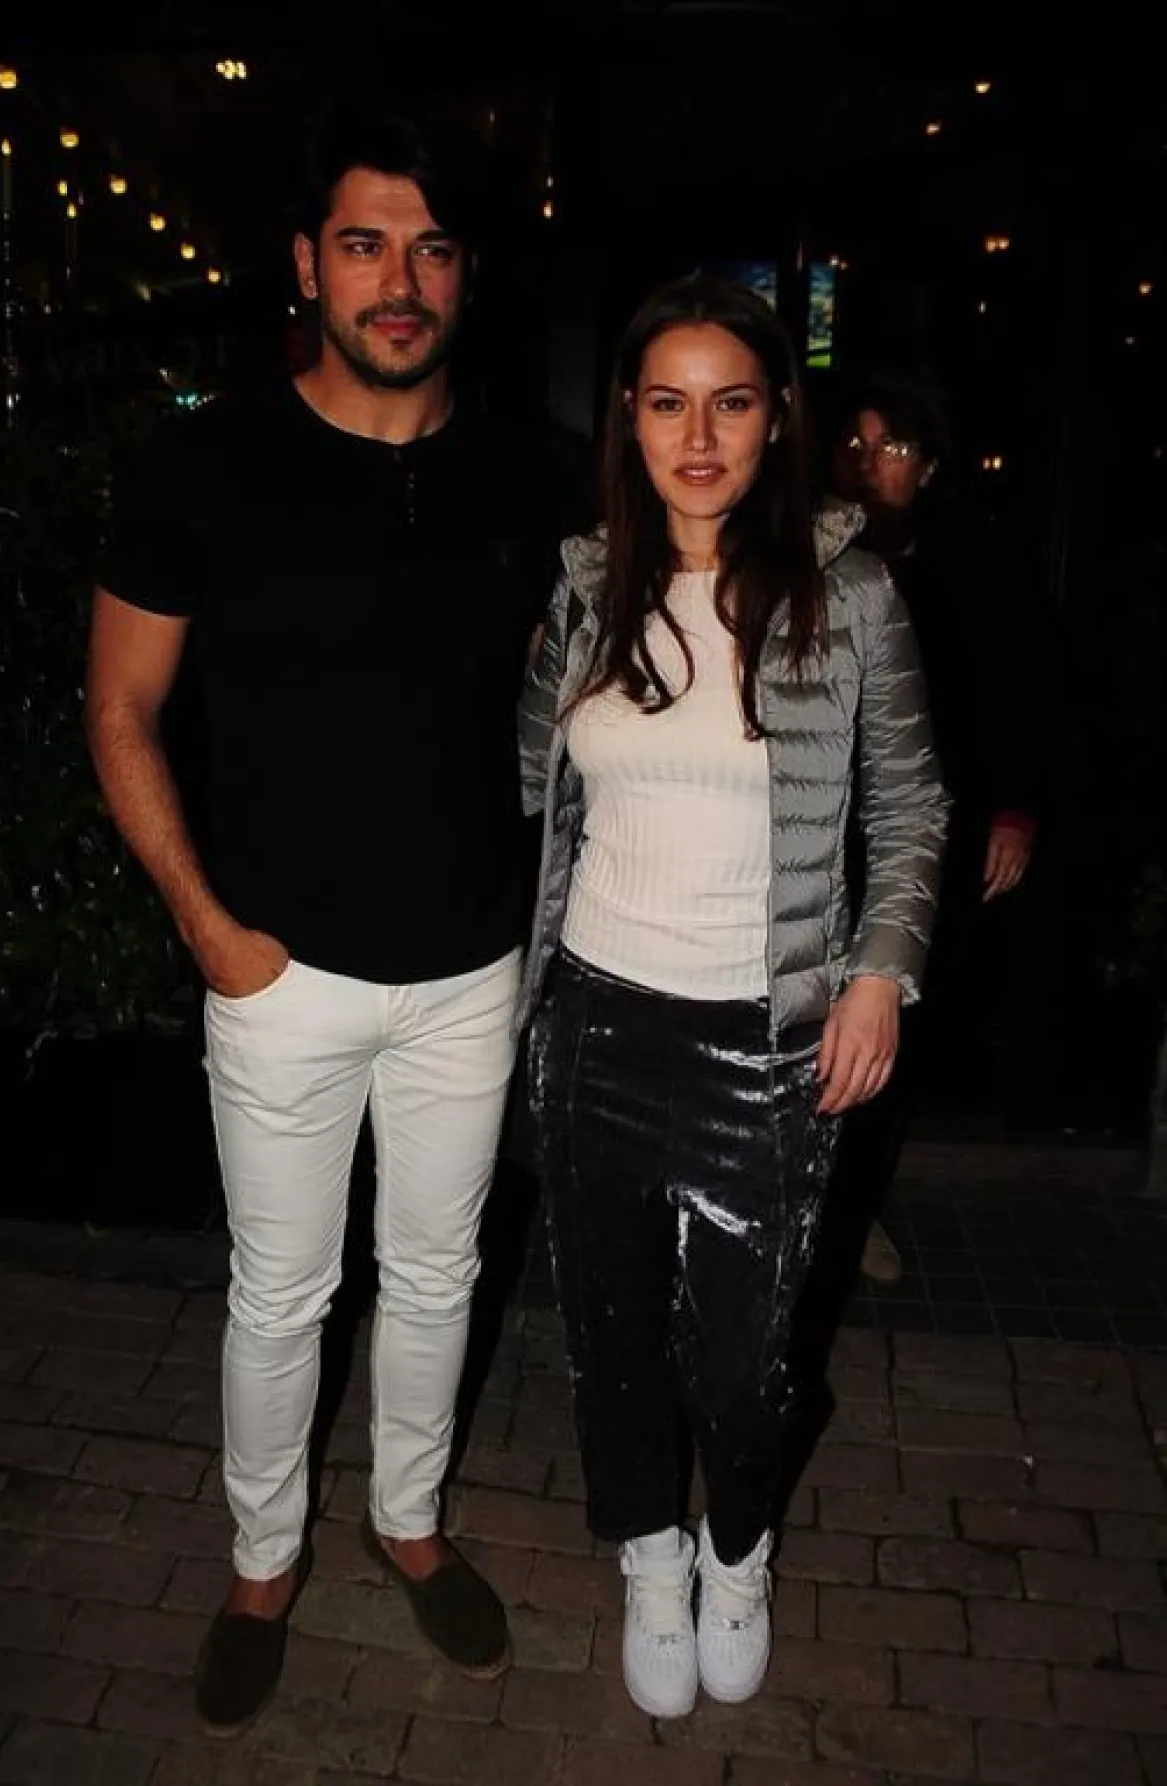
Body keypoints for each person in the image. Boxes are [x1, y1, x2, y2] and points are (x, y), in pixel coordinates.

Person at [85, 96, 588, 1734]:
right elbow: (118, 710)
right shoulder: (201, 462)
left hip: (469, 970)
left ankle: (411, 1523)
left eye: (431, 249)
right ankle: (261, 1562)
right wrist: (209, 929)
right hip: (277, 968)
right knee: (281, 1293)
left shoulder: (535, 476)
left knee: (438, 1274)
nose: (400, 280)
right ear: (306, 263)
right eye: (366, 244)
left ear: (467, 275)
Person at [517, 276, 947, 1718]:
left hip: (764, 1039)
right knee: (611, 1330)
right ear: (629, 421)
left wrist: (878, 973)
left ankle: (737, 1549)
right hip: (595, 1018)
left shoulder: (850, 594)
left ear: (776, 421)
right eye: (667, 402)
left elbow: (915, 807)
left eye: (731, 402)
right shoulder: (589, 587)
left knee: (747, 1360)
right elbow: (535, 780)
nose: (698, 436)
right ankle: (650, 1550)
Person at [827, 373, 1041, 1285]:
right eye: (858, 445)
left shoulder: (971, 560)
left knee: (890, 1021)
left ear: (929, 466)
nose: (873, 463)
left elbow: (1018, 687)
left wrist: (1014, 809)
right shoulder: (811, 552)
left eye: (895, 447)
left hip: (927, 829)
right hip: (818, 828)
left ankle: (854, 1206)